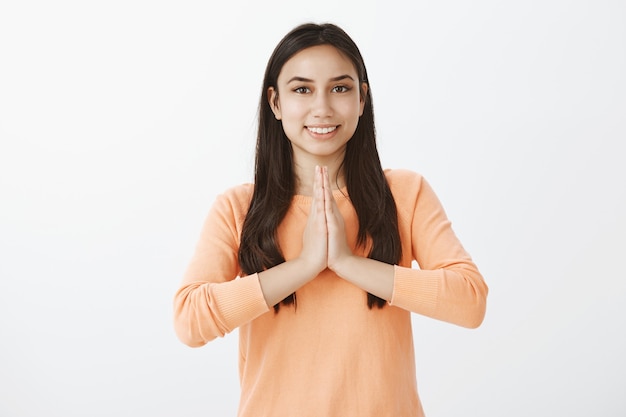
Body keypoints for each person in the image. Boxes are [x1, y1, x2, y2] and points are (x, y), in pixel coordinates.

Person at [173, 22, 488, 417]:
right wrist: (304, 266)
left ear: (362, 99)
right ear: (275, 103)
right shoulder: (238, 207)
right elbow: (189, 321)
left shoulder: (406, 194)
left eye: (340, 88)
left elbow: (470, 301)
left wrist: (349, 264)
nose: (322, 107)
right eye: (301, 89)